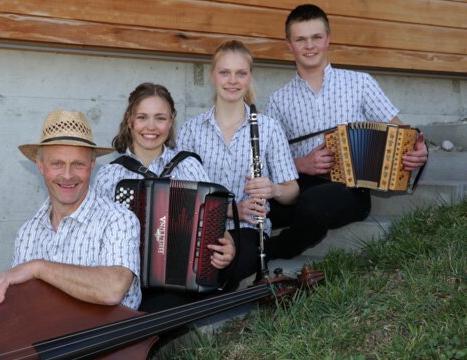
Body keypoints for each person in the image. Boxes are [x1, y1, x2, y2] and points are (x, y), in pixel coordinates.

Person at [264, 4, 429, 259]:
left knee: (312, 205)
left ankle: (269, 251)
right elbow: (269, 160)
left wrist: (418, 150)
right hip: (299, 185)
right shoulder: (278, 100)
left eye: (316, 37)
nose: (310, 46)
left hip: (350, 190)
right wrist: (300, 163)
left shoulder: (360, 82)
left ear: (328, 39)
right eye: (301, 39)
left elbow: (402, 133)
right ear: (289, 44)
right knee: (257, 203)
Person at [92, 82, 236, 311]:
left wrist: (227, 249)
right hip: (127, 283)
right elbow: (95, 238)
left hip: (183, 282)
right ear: (129, 120)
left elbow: (217, 230)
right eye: (142, 117)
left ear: (171, 121)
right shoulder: (110, 175)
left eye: (160, 118)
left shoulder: (188, 165)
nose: (151, 126)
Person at [0, 110, 142, 310]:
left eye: (78, 164)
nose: (67, 175)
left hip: (108, 341)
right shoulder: (28, 233)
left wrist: (38, 268)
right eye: (57, 164)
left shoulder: (119, 219)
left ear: (92, 165)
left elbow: (112, 289)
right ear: (40, 166)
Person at [177, 40, 299, 286]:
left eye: (240, 73)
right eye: (225, 72)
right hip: (200, 228)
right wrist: (233, 210)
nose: (232, 80)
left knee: (222, 265)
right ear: (213, 76)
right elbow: (181, 195)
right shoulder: (190, 130)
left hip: (250, 231)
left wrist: (274, 189)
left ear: (249, 77)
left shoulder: (268, 128)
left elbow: (292, 192)